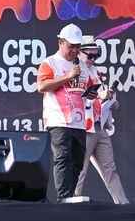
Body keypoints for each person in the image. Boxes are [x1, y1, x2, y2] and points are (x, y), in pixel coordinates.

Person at [37, 24, 98, 202]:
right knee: (63, 158)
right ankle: (63, 197)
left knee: (78, 160)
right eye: (71, 46)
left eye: (77, 46)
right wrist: (67, 76)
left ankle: (70, 196)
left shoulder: (81, 65)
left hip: (79, 122)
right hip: (58, 120)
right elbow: (42, 86)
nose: (74, 50)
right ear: (60, 42)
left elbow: (87, 87)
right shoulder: (50, 62)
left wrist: (91, 93)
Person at [73, 36, 129, 204]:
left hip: (99, 124)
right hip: (84, 126)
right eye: (90, 55)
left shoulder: (96, 72)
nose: (93, 59)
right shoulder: (76, 70)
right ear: (79, 52)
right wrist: (99, 95)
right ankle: (72, 204)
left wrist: (111, 101)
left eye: (96, 56)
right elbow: (77, 97)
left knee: (110, 168)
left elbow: (100, 97)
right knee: (80, 169)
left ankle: (123, 204)